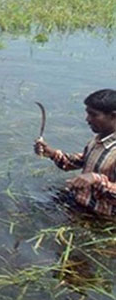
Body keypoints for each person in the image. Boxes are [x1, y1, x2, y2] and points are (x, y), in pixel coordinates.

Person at [34, 89, 116, 217]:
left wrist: (96, 180)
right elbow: (82, 161)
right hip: (79, 203)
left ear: (113, 116)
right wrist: (51, 153)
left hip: (98, 216)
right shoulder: (98, 139)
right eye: (87, 113)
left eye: (93, 115)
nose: (87, 119)